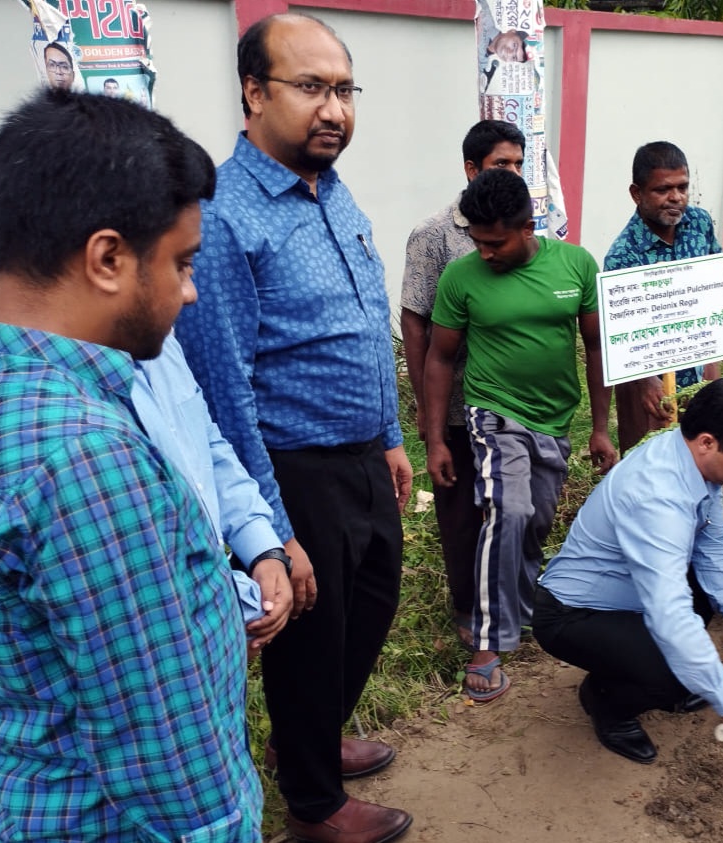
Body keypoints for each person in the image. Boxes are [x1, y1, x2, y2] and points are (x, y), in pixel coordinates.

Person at [0, 88, 262, 840]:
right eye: (182, 263)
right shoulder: (84, 459)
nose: (189, 292)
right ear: (109, 257)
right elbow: (174, 770)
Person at [173, 13, 413, 843]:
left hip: (361, 453)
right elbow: (225, 385)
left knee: (372, 603)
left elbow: (365, 316)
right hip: (292, 462)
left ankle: (305, 740)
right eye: (311, 88)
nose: (334, 109)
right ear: (253, 91)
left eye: (344, 90)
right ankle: (313, 807)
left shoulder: (330, 189)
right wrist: (272, 529)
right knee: (311, 634)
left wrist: (389, 431)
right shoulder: (226, 213)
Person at [424, 167, 618, 703]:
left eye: (496, 241)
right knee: (504, 511)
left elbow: (597, 349)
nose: (485, 252)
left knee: (535, 519)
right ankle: (488, 643)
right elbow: (440, 359)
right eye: (478, 242)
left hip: (555, 419)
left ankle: (519, 606)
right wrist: (436, 437)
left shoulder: (575, 265)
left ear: (529, 225)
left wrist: (600, 429)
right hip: (493, 411)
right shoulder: (461, 278)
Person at [533, 377, 723, 763]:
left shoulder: (692, 460)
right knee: (673, 670)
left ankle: (642, 667)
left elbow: (713, 546)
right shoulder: (656, 497)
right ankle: (606, 704)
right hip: (573, 614)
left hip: (632, 592)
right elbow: (669, 615)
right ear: (707, 441)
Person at [401, 119, 526, 650]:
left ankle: (510, 600)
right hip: (455, 402)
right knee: (461, 509)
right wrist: (427, 416)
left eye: (520, 164)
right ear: (472, 169)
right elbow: (414, 321)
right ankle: (466, 608)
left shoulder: (522, 223)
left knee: (509, 504)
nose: (514, 173)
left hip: (513, 400)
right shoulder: (434, 236)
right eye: (503, 165)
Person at [132, 333, 320, 654]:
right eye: (178, 278)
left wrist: (264, 551)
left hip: (216, 618)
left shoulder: (165, 346)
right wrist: (239, 608)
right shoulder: (85, 398)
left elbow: (210, 445)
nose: (190, 295)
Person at [604, 141, 723, 453]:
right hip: (649, 375)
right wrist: (644, 382)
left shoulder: (699, 223)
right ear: (637, 194)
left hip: (699, 359)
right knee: (651, 454)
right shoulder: (624, 254)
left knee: (707, 448)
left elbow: (714, 280)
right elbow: (622, 333)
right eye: (663, 189)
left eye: (682, 187)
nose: (675, 197)